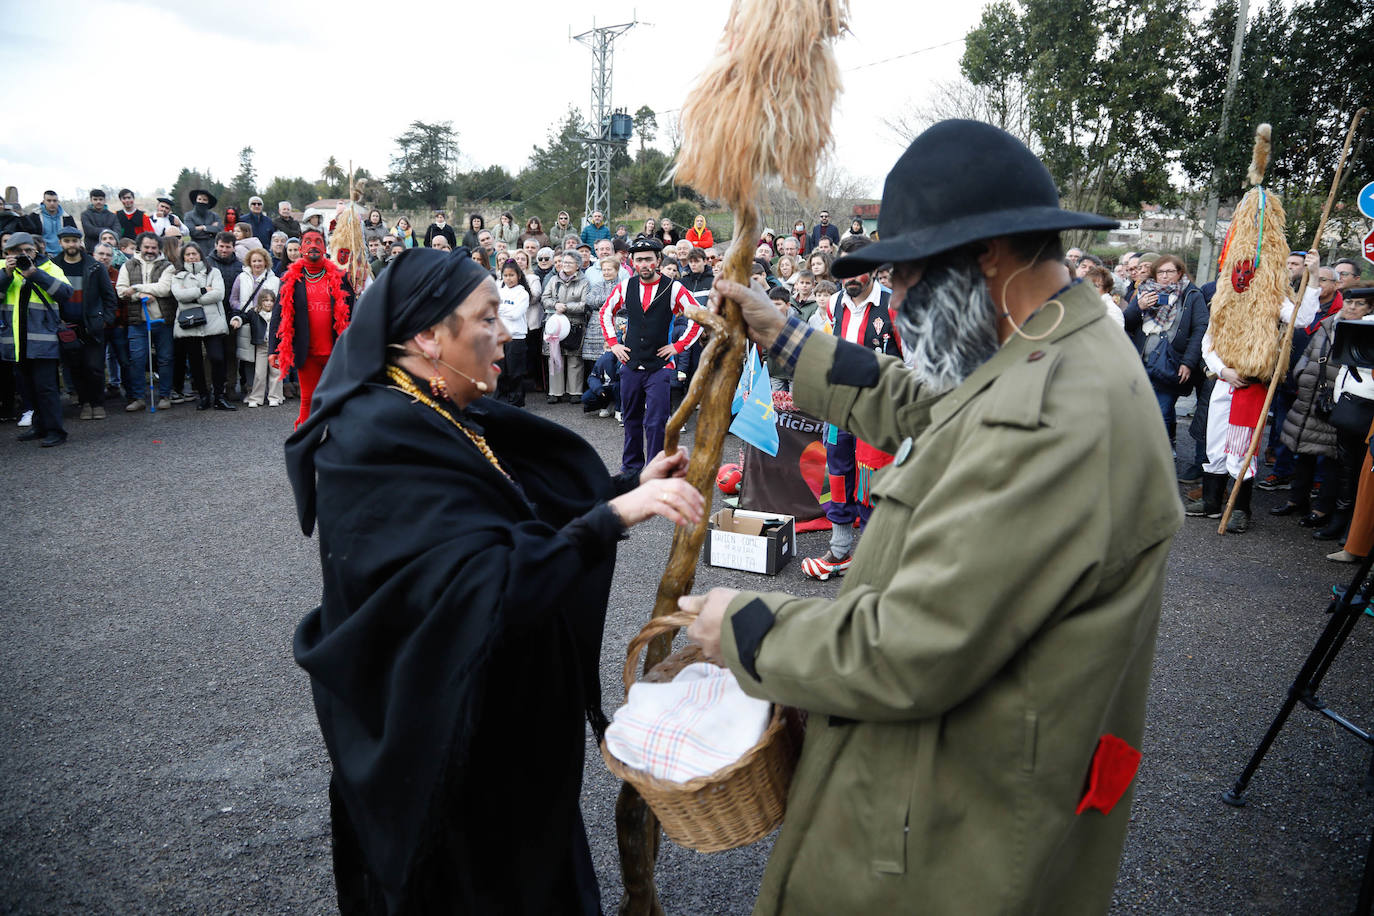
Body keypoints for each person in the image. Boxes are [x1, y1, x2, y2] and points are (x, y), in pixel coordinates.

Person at [678, 119, 1179, 915]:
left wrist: (739, 626)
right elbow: (929, 407)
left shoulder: (1052, 419)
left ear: (987, 257)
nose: (896, 304)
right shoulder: (1046, 346)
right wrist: (782, 338)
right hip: (943, 797)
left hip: (947, 841)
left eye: (905, 278)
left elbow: (908, 649)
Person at [283, 247, 703, 914]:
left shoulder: (435, 404)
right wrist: (611, 519)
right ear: (427, 335)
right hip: (446, 746)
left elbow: (517, 509)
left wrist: (628, 489)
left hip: (501, 734)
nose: (507, 332)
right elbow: (489, 583)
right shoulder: (373, 437)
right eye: (487, 319)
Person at [801, 234, 904, 580]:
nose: (849, 279)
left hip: (879, 413)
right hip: (840, 407)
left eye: (857, 270)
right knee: (839, 474)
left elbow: (916, 365)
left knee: (875, 481)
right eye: (843, 270)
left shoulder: (895, 305)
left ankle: (879, 560)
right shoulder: (833, 305)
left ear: (874, 269)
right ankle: (841, 551)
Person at [598, 237, 703, 474]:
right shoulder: (625, 286)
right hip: (630, 364)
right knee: (631, 419)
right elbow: (605, 312)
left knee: (656, 423)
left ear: (657, 260)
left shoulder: (674, 287)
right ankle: (631, 468)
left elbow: (699, 317)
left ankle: (654, 469)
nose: (644, 264)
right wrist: (614, 343)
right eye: (639, 260)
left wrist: (678, 346)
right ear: (632, 262)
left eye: (648, 259)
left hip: (660, 367)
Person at [270, 227, 355, 428]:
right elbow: (278, 315)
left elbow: (353, 312)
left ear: (325, 247)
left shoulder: (340, 277)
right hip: (306, 352)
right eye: (308, 241)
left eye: (318, 241)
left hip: (335, 351)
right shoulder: (290, 279)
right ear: (300, 248)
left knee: (337, 399)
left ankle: (338, 442)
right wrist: (274, 348)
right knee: (308, 400)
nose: (313, 245)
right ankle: (306, 442)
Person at [1121, 254, 1207, 442]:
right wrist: (1139, 307)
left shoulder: (1192, 294)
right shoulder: (1145, 290)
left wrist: (1188, 362)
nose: (1165, 276)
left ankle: (1163, 455)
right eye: (1160, 272)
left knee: (1162, 411)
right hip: (1142, 360)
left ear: (1180, 272)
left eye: (1170, 271)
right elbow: (1126, 323)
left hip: (1171, 363)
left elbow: (1200, 329)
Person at [2, 231, 75, 446]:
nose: (24, 255)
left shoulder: (50, 268)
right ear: (8, 253)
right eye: (18, 251)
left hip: (44, 339)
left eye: (28, 250)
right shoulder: (5, 270)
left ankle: (56, 431)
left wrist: (35, 274)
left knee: (46, 388)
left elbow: (65, 293)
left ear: (36, 250)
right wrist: (6, 274)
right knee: (28, 389)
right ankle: (39, 426)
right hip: (16, 342)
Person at [54, 226, 116, 420]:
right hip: (66, 327)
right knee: (76, 368)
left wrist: (105, 320)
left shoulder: (94, 266)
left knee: (95, 367)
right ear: (60, 243)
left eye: (74, 240)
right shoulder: (53, 266)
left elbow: (109, 296)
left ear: (80, 242)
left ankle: (98, 403)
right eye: (67, 241)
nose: (71, 244)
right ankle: (85, 403)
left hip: (91, 325)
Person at [169, 242, 234, 410]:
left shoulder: (214, 272)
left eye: (194, 253)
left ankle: (219, 396)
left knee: (217, 358)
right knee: (195, 362)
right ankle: (204, 396)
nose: (192, 257)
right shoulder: (177, 275)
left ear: (200, 255)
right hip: (190, 323)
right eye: (188, 254)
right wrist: (204, 290)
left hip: (213, 323)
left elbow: (219, 294)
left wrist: (193, 297)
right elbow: (179, 296)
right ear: (183, 256)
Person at [229, 248, 281, 401]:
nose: (257, 263)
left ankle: (273, 394)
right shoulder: (241, 278)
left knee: (271, 361)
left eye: (260, 260)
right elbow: (233, 299)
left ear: (266, 262)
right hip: (248, 323)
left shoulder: (275, 280)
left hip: (268, 324)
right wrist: (247, 312)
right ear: (249, 263)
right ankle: (252, 392)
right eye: (254, 261)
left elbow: (279, 302)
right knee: (250, 360)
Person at [540, 251, 590, 403]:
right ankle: (555, 392)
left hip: (575, 324)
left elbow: (585, 304)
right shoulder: (554, 280)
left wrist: (566, 307)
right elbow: (544, 298)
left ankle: (575, 392)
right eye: (564, 262)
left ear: (577, 266)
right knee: (555, 357)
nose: (565, 265)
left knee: (574, 358)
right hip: (555, 323)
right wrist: (555, 305)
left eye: (570, 263)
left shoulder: (584, 281)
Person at [496, 259, 530, 407]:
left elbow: (516, 314)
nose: (508, 278)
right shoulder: (499, 291)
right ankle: (500, 402)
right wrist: (503, 310)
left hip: (516, 338)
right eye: (505, 275)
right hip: (499, 337)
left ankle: (516, 402)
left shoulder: (523, 294)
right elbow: (491, 309)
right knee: (500, 371)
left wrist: (500, 309)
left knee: (515, 372)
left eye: (511, 275)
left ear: (518, 276)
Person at [37, 191, 77, 256]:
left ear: (58, 202)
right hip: (43, 255)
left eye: (54, 201)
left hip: (64, 254)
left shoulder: (67, 217)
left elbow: (75, 236)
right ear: (43, 201)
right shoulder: (35, 217)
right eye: (49, 201)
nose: (52, 203)